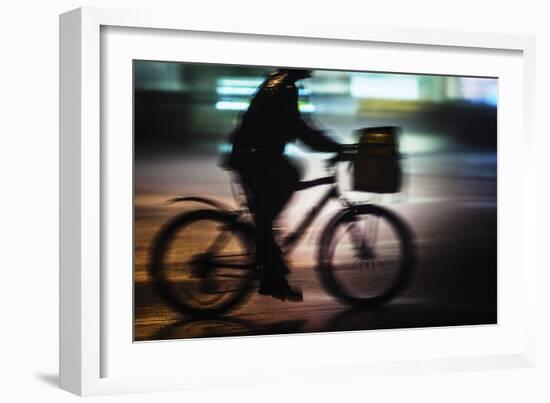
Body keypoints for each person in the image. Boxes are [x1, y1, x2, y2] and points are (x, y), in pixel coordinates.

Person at [225, 68, 342, 302]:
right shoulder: (285, 87)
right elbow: (297, 127)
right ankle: (272, 275)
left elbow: (296, 126)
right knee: (277, 196)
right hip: (255, 157)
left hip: (251, 154)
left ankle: (269, 264)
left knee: (279, 192)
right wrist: (335, 147)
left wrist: (329, 144)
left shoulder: (276, 82)